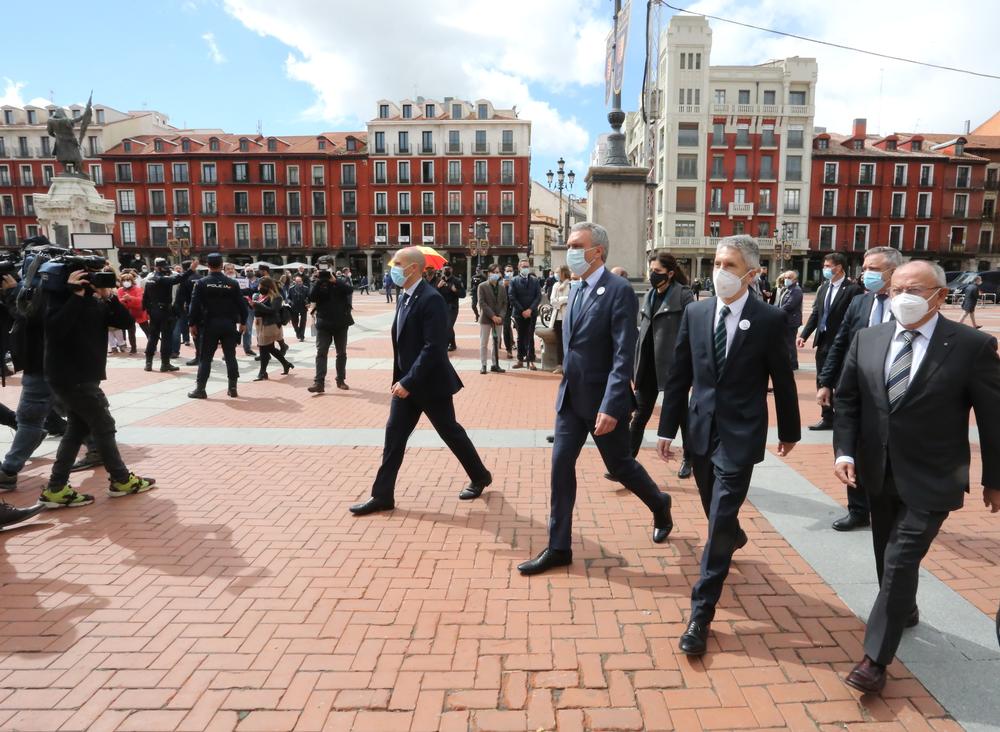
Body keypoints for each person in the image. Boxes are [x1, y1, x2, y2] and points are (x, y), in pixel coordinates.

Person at [832, 260, 1000, 695]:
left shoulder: (971, 346)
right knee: (886, 554)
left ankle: (874, 659)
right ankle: (903, 608)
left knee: (900, 559)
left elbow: (994, 419)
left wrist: (995, 478)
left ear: (940, 296)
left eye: (913, 289)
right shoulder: (868, 339)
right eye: (895, 288)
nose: (901, 296)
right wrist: (844, 451)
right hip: (878, 472)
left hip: (935, 477)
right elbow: (849, 401)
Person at [657, 235, 800, 656]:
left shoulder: (769, 319)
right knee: (712, 505)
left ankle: (701, 613)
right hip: (701, 429)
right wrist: (666, 429)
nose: (720, 272)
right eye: (718, 262)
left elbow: (784, 380)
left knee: (717, 519)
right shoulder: (697, 312)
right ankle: (733, 535)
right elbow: (679, 373)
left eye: (731, 265)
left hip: (741, 433)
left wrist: (788, 431)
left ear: (753, 274)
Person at [518, 222, 674, 576]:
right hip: (571, 400)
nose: (570, 249)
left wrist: (612, 403)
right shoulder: (575, 289)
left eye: (576, 244)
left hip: (604, 401)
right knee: (560, 468)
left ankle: (659, 503)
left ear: (597, 252)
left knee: (620, 467)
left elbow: (623, 353)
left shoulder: (617, 290)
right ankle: (559, 547)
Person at [349, 247, 493, 515]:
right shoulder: (404, 297)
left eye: (397, 264)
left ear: (413, 268)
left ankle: (480, 475)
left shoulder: (431, 299)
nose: (393, 268)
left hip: (429, 384)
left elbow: (434, 347)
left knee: (450, 432)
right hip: (406, 385)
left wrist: (409, 381)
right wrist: (401, 380)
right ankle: (382, 496)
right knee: (394, 438)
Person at [41, 271, 156, 507]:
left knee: (75, 430)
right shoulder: (60, 300)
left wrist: (109, 296)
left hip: (84, 377)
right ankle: (121, 479)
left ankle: (56, 488)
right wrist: (75, 295)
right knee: (104, 426)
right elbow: (55, 331)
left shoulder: (95, 302)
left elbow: (125, 322)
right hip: (72, 378)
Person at [817, 246, 902, 532]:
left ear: (892, 272)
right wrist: (826, 381)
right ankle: (857, 509)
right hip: (854, 388)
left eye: (873, 270)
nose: (865, 274)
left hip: (891, 391)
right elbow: (841, 342)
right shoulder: (860, 303)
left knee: (884, 450)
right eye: (864, 269)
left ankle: (888, 506)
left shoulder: (905, 306)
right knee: (849, 446)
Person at [630, 251, 694, 476]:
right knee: (639, 414)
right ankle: (626, 462)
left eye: (657, 271)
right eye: (651, 270)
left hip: (673, 365)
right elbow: (642, 333)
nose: (653, 275)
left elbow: (691, 333)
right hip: (648, 365)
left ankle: (689, 458)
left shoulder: (684, 296)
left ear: (670, 272)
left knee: (683, 415)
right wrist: (635, 364)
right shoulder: (650, 295)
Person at [797, 253, 862, 430]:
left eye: (828, 266)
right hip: (824, 340)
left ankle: (843, 417)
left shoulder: (852, 290)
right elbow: (817, 313)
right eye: (825, 266)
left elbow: (854, 317)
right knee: (822, 379)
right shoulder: (824, 288)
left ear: (839, 267)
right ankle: (827, 417)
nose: (825, 269)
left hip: (843, 342)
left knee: (841, 380)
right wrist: (804, 334)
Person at [187, 253, 248, 400]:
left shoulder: (201, 283)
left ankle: (200, 389)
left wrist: (191, 323)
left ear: (208, 265)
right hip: (228, 324)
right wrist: (244, 322)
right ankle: (232, 388)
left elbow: (194, 306)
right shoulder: (232, 283)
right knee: (230, 356)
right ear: (222, 265)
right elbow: (242, 305)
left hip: (209, 324)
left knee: (205, 358)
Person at [142, 258, 198, 372]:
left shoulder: (149, 280)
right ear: (157, 268)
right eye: (164, 268)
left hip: (154, 311)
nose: (166, 270)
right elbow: (178, 278)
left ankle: (148, 363)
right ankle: (165, 363)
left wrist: (148, 311)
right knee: (166, 338)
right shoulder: (162, 279)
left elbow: (145, 298)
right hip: (164, 311)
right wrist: (191, 270)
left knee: (152, 337)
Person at [308, 267, 354, 393]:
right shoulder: (318, 284)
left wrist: (335, 281)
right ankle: (319, 383)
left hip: (341, 324)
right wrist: (318, 281)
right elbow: (311, 297)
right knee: (321, 352)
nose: (325, 277)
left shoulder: (339, 283)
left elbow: (349, 290)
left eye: (327, 274)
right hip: (324, 325)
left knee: (341, 353)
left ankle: (340, 380)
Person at [252, 277, 294, 381]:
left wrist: (258, 305)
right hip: (260, 324)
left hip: (270, 325)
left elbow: (272, 310)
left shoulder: (276, 297)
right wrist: (252, 304)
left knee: (263, 348)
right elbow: (259, 309)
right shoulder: (261, 296)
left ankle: (262, 373)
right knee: (270, 348)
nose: (259, 288)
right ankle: (286, 364)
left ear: (267, 286)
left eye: (260, 286)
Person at [509, 260, 542, 370]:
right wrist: (523, 310)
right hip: (519, 313)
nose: (525, 268)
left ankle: (531, 360)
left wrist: (530, 310)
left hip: (531, 313)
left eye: (527, 266)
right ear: (519, 267)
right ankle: (520, 359)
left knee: (530, 336)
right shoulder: (514, 281)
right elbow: (512, 297)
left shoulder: (535, 280)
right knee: (520, 336)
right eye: (523, 266)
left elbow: (538, 297)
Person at [476, 264, 507, 375]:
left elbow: (505, 304)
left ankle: (495, 364)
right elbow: (482, 303)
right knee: (484, 342)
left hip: (499, 319)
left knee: (496, 342)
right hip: (486, 318)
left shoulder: (502, 287)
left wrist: (501, 316)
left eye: (498, 272)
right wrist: (492, 316)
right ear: (489, 273)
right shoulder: (482, 286)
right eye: (494, 272)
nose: (496, 274)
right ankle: (483, 365)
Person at [172, 260, 200, 365]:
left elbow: (180, 297)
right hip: (203, 309)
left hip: (190, 308)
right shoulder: (201, 278)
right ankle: (205, 355)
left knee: (195, 332)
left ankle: (199, 356)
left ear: (184, 269)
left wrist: (177, 310)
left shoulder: (185, 280)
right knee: (203, 333)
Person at [116, 272, 148, 354]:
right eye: (124, 280)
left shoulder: (137, 289)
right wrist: (125, 300)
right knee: (130, 331)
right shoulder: (120, 290)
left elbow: (140, 300)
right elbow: (119, 301)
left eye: (128, 280)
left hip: (139, 312)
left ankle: (152, 346)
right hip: (128, 313)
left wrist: (130, 298)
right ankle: (133, 348)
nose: (126, 282)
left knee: (146, 330)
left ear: (132, 281)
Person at [778, 271, 803, 369]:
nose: (786, 279)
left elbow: (790, 305)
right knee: (785, 342)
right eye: (785, 277)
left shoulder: (796, 290)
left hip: (791, 321)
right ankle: (787, 361)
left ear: (795, 279)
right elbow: (780, 303)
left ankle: (793, 364)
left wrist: (776, 311)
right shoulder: (786, 289)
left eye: (789, 277)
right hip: (785, 320)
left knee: (790, 342)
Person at [549, 266, 572, 375]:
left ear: (563, 273)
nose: (556, 274)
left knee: (568, 341)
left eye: (558, 272)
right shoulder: (555, 285)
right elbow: (552, 301)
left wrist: (561, 300)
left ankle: (568, 364)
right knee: (559, 342)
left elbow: (571, 298)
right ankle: (559, 365)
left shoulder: (571, 284)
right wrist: (561, 301)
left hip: (567, 316)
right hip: (557, 317)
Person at [437, 266, 465, 352]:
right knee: (445, 326)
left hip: (452, 307)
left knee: (448, 326)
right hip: (442, 307)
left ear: (451, 270)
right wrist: (438, 287)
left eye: (448, 269)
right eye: (444, 269)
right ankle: (452, 344)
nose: (446, 271)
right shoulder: (440, 280)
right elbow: (433, 293)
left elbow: (463, 295)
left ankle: (448, 344)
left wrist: (455, 290)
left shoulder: (457, 281)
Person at [286, 275, 310, 341]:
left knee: (303, 322)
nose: (299, 283)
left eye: (300, 281)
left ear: (302, 281)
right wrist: (290, 302)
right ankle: (297, 331)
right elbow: (288, 298)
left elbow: (309, 297)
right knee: (294, 322)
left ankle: (302, 336)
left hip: (303, 306)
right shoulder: (291, 288)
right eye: (297, 282)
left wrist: (308, 302)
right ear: (295, 282)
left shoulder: (306, 288)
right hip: (294, 307)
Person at [502, 266, 515, 358]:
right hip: (505, 309)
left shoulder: (516, 280)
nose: (509, 272)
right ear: (504, 272)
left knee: (519, 328)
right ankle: (508, 350)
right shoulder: (501, 282)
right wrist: (503, 285)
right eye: (507, 271)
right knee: (506, 327)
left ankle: (523, 349)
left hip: (516, 307)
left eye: (511, 271)